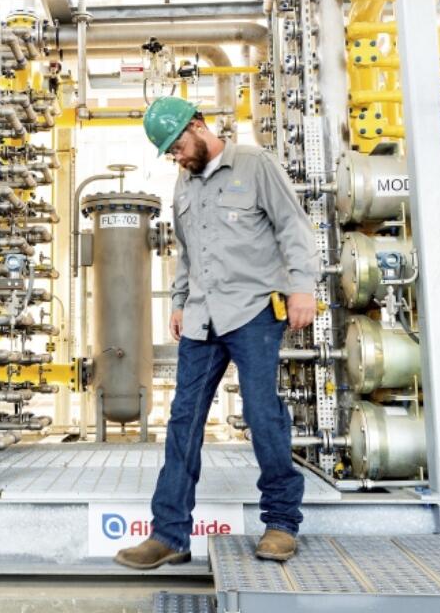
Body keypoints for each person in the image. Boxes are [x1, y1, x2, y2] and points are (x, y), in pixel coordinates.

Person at [114, 96, 318, 570]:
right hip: (203, 318)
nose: (177, 156)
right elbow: (187, 253)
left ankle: (281, 524)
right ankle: (169, 535)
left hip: (253, 312)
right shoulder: (183, 185)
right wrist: (180, 301)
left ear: (199, 126)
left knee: (263, 413)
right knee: (183, 420)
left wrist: (302, 289)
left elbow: (293, 226)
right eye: (169, 152)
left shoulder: (254, 164)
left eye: (178, 145)